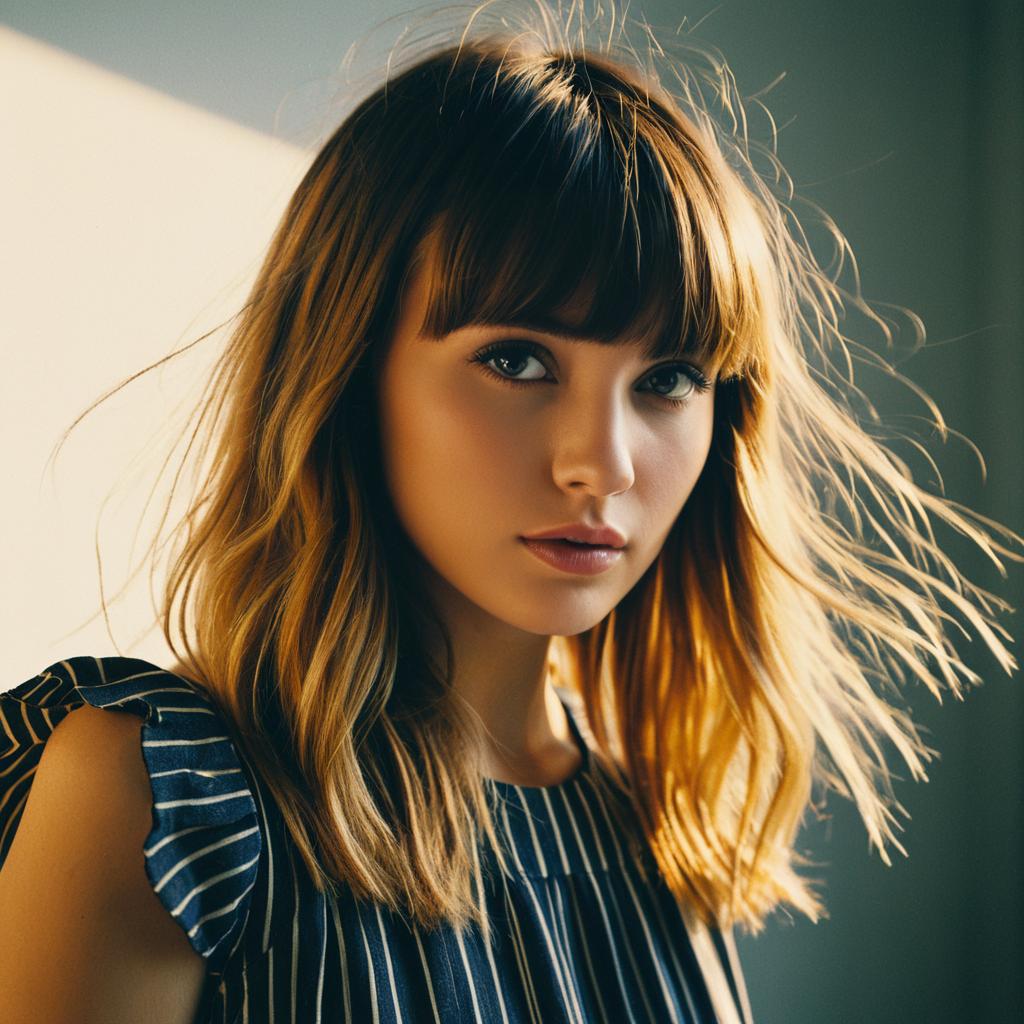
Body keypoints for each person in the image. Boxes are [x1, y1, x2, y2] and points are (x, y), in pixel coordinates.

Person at [0, 3, 1018, 1022]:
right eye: (517, 358)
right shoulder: (157, 800)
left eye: (667, 376)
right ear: (347, 371)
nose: (602, 463)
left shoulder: (656, 827)